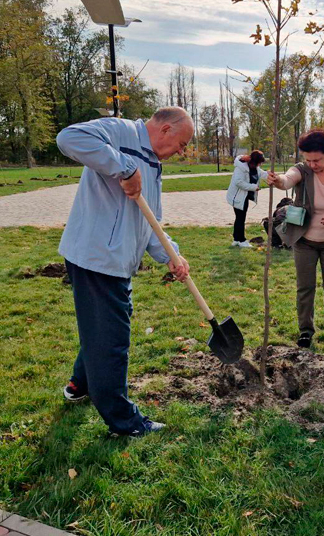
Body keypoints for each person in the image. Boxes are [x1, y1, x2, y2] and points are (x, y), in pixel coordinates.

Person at [56, 107, 193, 437]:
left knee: (102, 327)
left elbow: (150, 223)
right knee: (112, 340)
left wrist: (172, 256)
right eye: (182, 142)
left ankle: (80, 383)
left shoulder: (153, 164)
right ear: (165, 130)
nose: (182, 151)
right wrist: (125, 167)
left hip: (114, 261)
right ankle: (124, 421)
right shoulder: (120, 134)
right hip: (97, 257)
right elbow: (67, 137)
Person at [267, 129, 324, 351]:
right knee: (305, 288)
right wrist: (277, 180)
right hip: (304, 241)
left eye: (317, 160)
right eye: (308, 159)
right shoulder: (301, 170)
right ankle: (305, 332)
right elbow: (287, 180)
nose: (312, 164)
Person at [226, 150, 268, 248]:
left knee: (239, 218)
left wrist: (270, 175)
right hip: (237, 197)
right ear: (254, 161)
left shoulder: (254, 168)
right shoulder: (240, 169)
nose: (260, 165)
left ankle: (236, 239)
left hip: (244, 196)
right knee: (241, 218)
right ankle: (242, 240)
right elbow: (239, 183)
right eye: (259, 163)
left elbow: (261, 173)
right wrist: (253, 187)